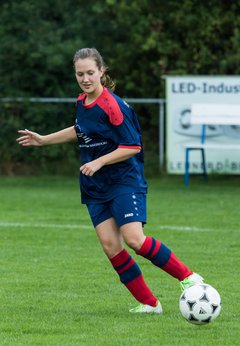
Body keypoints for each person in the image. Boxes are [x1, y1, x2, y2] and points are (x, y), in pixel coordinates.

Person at [17, 47, 203, 314]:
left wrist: (100, 161)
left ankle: (187, 277)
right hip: (96, 185)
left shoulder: (113, 105)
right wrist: (44, 140)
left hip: (123, 180)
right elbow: (80, 130)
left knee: (134, 240)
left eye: (90, 73)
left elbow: (133, 146)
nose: (85, 79)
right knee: (110, 246)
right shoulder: (81, 102)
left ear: (101, 72)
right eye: (80, 74)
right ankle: (150, 304)